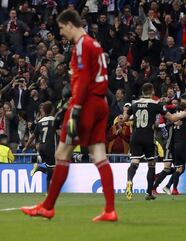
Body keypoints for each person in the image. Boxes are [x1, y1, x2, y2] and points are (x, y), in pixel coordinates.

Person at [20, 9, 117, 222]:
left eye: (62, 28)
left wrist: (75, 109)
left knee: (62, 153)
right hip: (101, 103)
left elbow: (82, 80)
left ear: (70, 24)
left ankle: (47, 206)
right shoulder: (96, 44)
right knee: (99, 155)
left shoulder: (82, 44)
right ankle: (110, 209)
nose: (62, 33)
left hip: (86, 104)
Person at [124, 83, 186, 200]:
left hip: (136, 136)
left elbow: (124, 119)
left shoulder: (135, 104)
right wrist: (184, 114)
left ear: (142, 92)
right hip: (148, 137)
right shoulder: (156, 104)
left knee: (134, 163)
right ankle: (149, 192)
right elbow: (172, 118)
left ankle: (129, 181)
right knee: (151, 165)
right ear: (152, 91)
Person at [23, 101, 57, 190]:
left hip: (41, 148)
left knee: (51, 170)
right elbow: (60, 132)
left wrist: (26, 147)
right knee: (53, 171)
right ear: (52, 110)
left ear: (44, 111)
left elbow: (33, 136)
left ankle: (40, 169)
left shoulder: (40, 122)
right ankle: (48, 191)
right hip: (50, 148)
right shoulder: (54, 120)